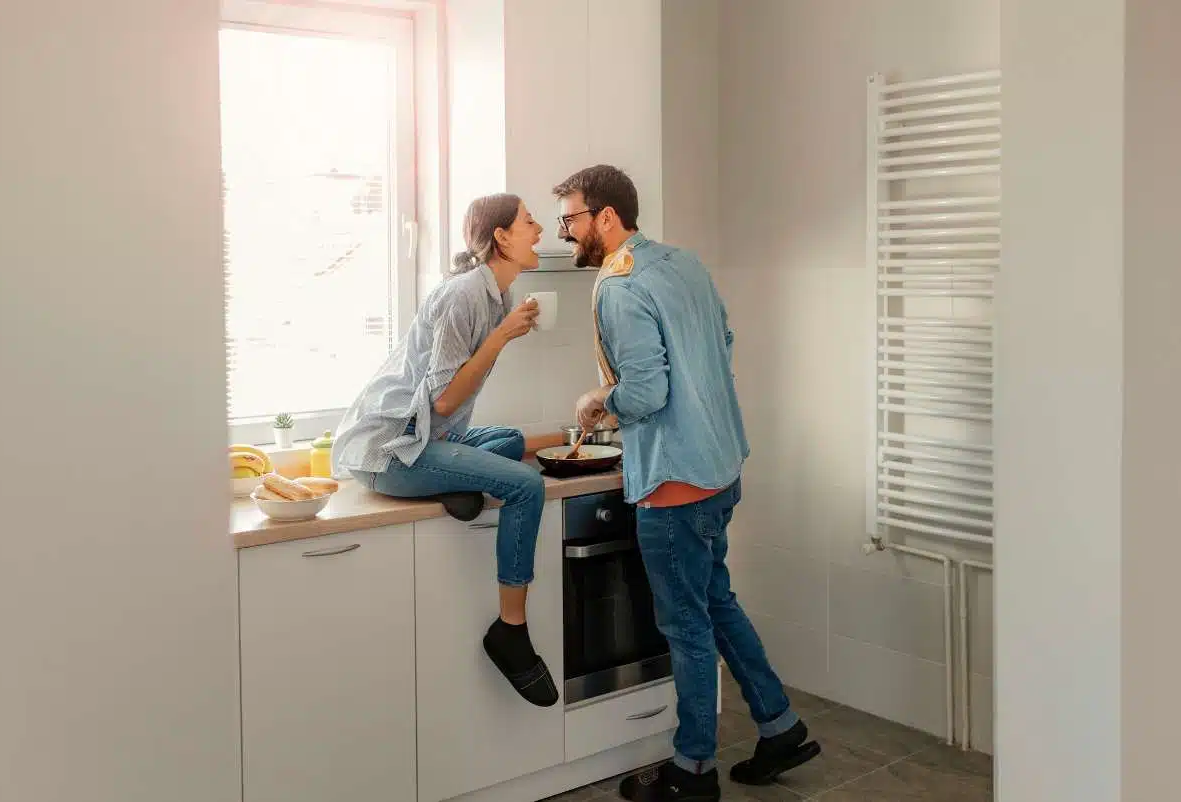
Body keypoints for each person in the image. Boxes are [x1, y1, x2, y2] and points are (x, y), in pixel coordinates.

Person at [554, 166, 820, 801]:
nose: (567, 232)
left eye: (571, 219)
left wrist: (600, 396)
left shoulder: (618, 288)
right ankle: (780, 726)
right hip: (720, 465)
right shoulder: (682, 262)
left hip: (675, 483)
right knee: (716, 603)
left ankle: (693, 770)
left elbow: (646, 391)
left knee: (687, 627)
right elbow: (721, 341)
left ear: (606, 217)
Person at [330, 193, 558, 708]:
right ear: (501, 236)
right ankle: (511, 631)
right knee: (524, 484)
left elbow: (451, 406)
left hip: (431, 438)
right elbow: (446, 397)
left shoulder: (495, 296)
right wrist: (499, 339)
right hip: (393, 451)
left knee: (506, 443)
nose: (540, 229)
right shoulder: (463, 296)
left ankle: (460, 485)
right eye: (528, 221)